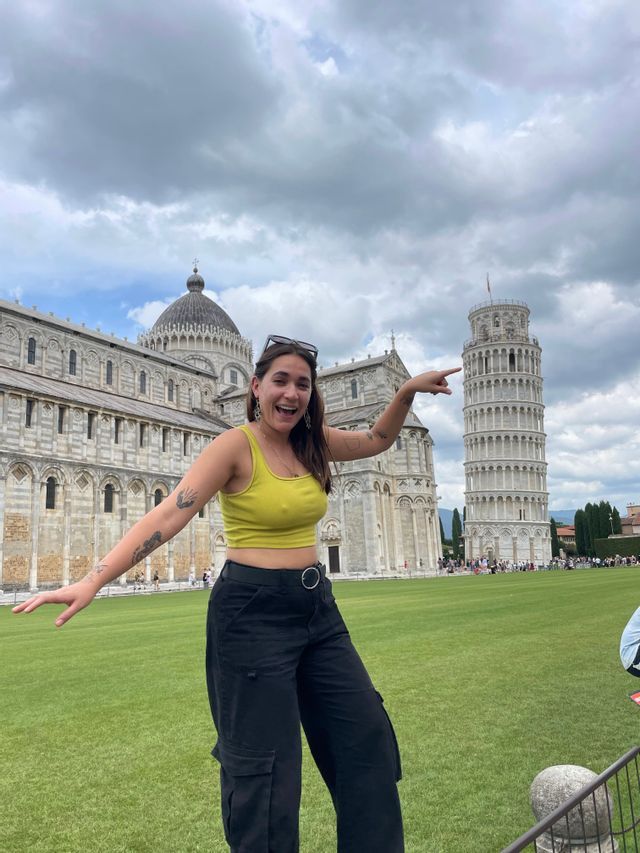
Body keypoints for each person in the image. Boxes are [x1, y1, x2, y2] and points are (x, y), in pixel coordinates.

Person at [13, 334, 460, 853]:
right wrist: (93, 580)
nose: (290, 393)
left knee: (367, 745)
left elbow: (378, 440)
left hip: (317, 609)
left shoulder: (314, 443)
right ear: (255, 386)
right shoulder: (233, 445)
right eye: (280, 381)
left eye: (302, 384)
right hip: (251, 615)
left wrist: (405, 392)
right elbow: (169, 513)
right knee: (265, 774)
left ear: (311, 395)